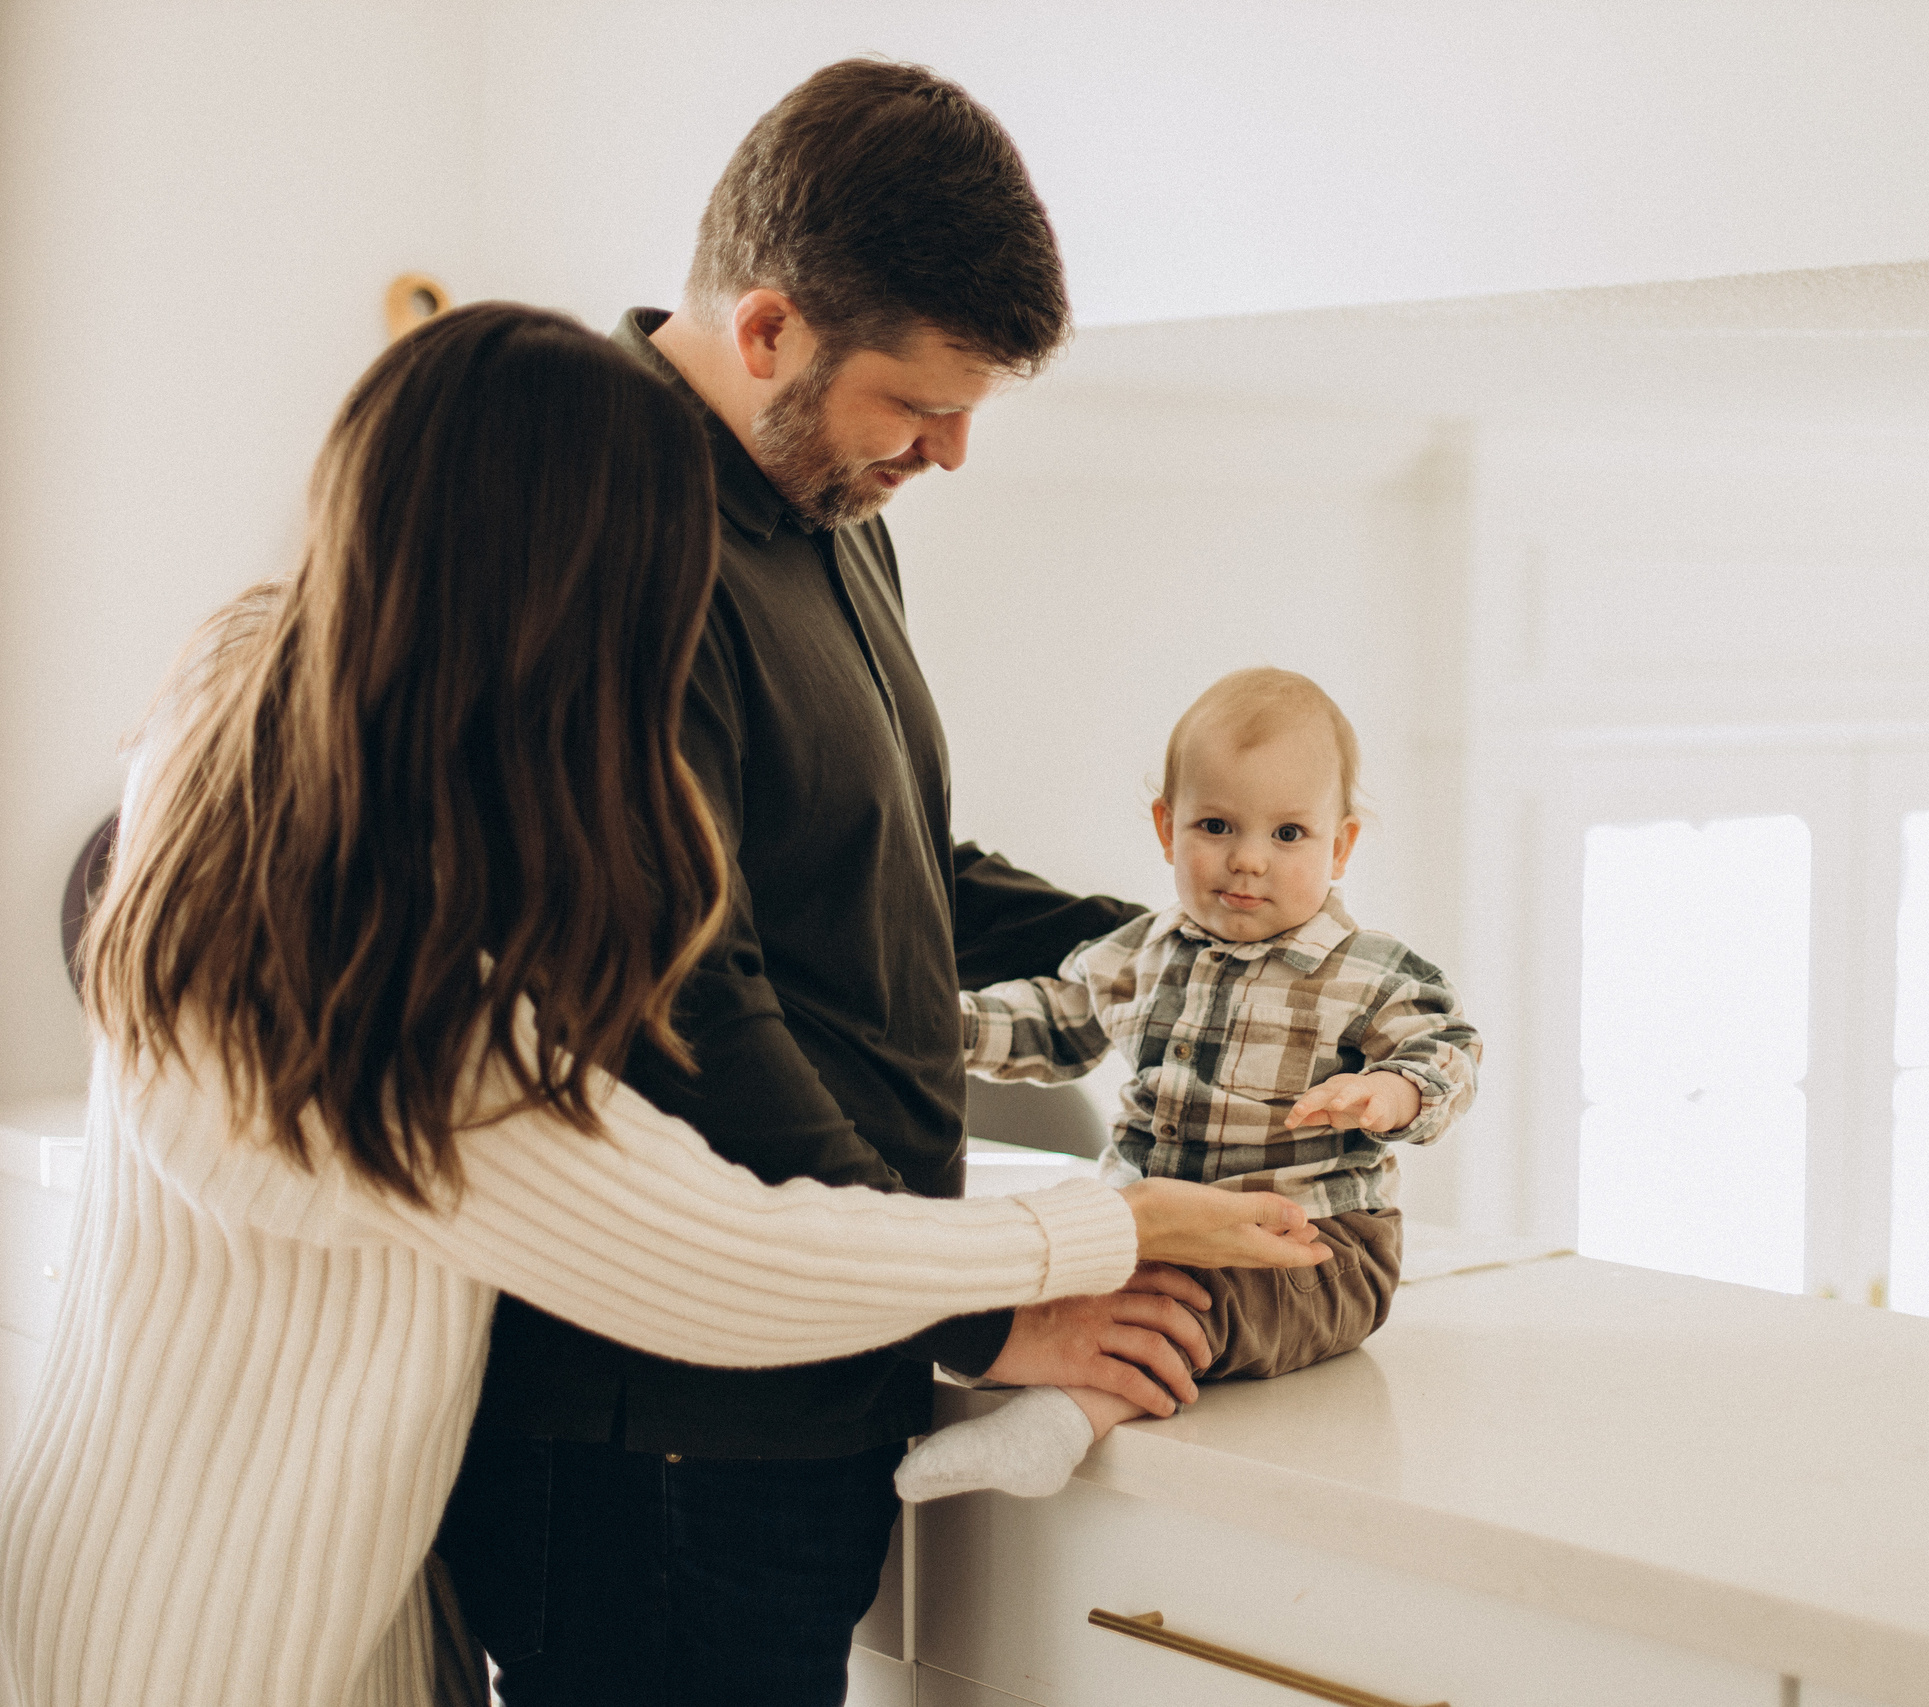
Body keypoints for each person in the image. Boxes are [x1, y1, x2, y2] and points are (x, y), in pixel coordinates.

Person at [0, 305, 1319, 1707]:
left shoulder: (252, 699)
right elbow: (729, 1252)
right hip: (224, 1644)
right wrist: (1095, 1232)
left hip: (230, 1586)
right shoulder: (384, 1016)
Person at [433, 58, 1233, 1707]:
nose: (947, 452)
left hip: (794, 1397)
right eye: (918, 404)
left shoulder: (826, 501)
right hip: (656, 1433)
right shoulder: (605, 521)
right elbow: (681, 988)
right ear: (773, 329)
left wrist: (1161, 945)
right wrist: (977, 1314)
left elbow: (878, 866)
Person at [894, 668, 1481, 1502]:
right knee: (1058, 1269)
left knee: (1191, 1301)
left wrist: (1393, 1091)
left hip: (1311, 1241)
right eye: (1216, 825)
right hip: (1160, 1224)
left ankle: (1065, 1418)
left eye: (1288, 834)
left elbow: (1448, 1050)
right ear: (1168, 828)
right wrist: (938, 1027)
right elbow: (1055, 1020)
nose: (1247, 860)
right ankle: (1008, 1374)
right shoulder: (1143, 950)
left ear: (1339, 845)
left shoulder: (1368, 971)